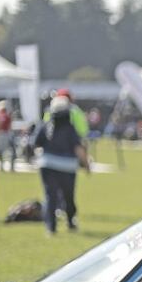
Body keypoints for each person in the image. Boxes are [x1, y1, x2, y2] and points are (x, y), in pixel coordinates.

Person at [34, 96, 90, 234]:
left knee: (50, 196)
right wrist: (86, 165)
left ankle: (50, 227)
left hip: (47, 165)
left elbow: (36, 143)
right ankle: (70, 222)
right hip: (67, 168)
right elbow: (79, 149)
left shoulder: (46, 126)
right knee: (68, 196)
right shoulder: (70, 130)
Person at [0, 100, 16, 172]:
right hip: (5, 134)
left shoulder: (0, 116)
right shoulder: (6, 116)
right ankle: (10, 166)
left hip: (2, 134)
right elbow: (10, 126)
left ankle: (3, 165)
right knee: (10, 150)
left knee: (1, 151)